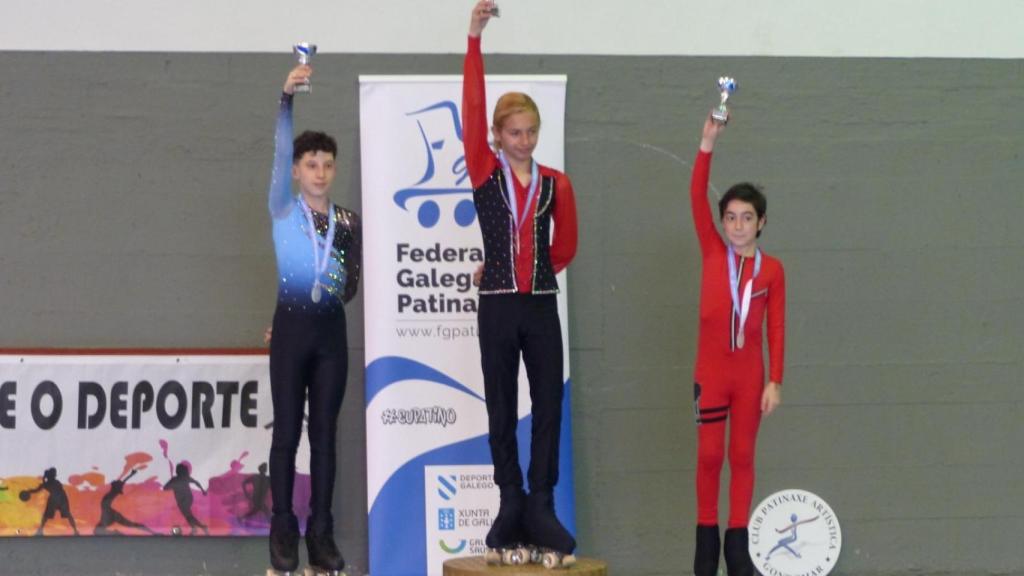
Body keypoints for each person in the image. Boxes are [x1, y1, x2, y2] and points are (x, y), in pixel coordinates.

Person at [463, 0, 579, 565]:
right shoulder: (485, 173)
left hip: (539, 308)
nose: (525, 141)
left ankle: (542, 502)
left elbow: (567, 246)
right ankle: (509, 501)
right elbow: (472, 108)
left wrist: (532, 269)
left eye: (532, 132)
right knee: (501, 406)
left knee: (549, 407)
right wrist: (474, 40)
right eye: (515, 132)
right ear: (497, 135)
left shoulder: (556, 183)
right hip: (497, 309)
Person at [265, 63, 362, 575]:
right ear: (297, 171)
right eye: (310, 164)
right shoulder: (283, 210)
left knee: (325, 434)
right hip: (291, 332)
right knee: (287, 433)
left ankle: (319, 535)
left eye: (327, 164)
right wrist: (286, 99)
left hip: (329, 337)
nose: (319, 172)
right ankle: (282, 530)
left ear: (334, 170)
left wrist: (335, 288)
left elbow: (351, 282)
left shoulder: (348, 223)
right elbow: (279, 153)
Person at [689, 112, 785, 576]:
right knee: (709, 456)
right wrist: (707, 144)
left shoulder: (772, 271)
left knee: (742, 456)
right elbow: (694, 196)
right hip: (711, 375)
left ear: (761, 222)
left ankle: (737, 544)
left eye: (747, 218)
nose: (738, 225)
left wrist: (775, 381)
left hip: (749, 378)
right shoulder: (712, 250)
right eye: (730, 217)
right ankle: (705, 549)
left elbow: (776, 328)